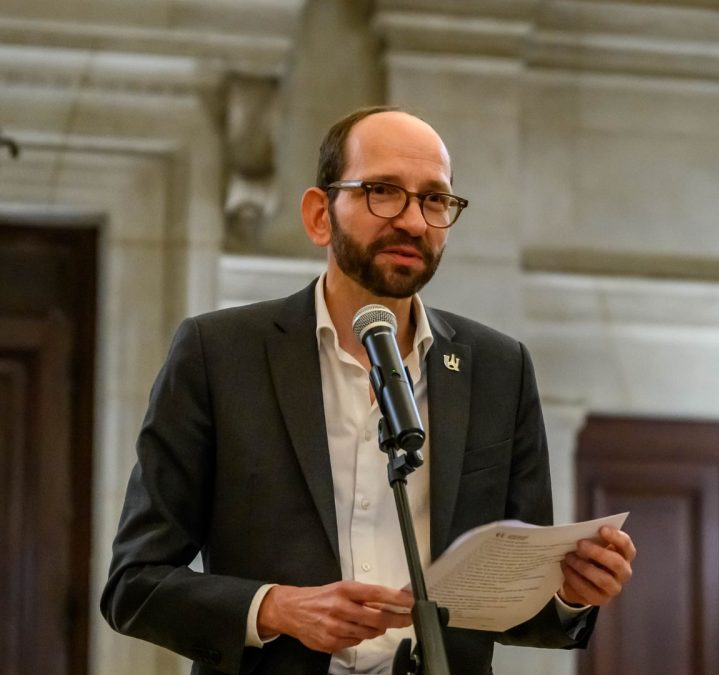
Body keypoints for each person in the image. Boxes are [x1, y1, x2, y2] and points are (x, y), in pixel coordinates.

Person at [101, 106, 637, 675]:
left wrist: (571, 593)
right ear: (319, 215)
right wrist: (276, 608)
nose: (412, 221)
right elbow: (134, 585)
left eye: (435, 200)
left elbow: (514, 609)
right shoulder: (219, 353)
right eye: (382, 191)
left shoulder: (498, 369)